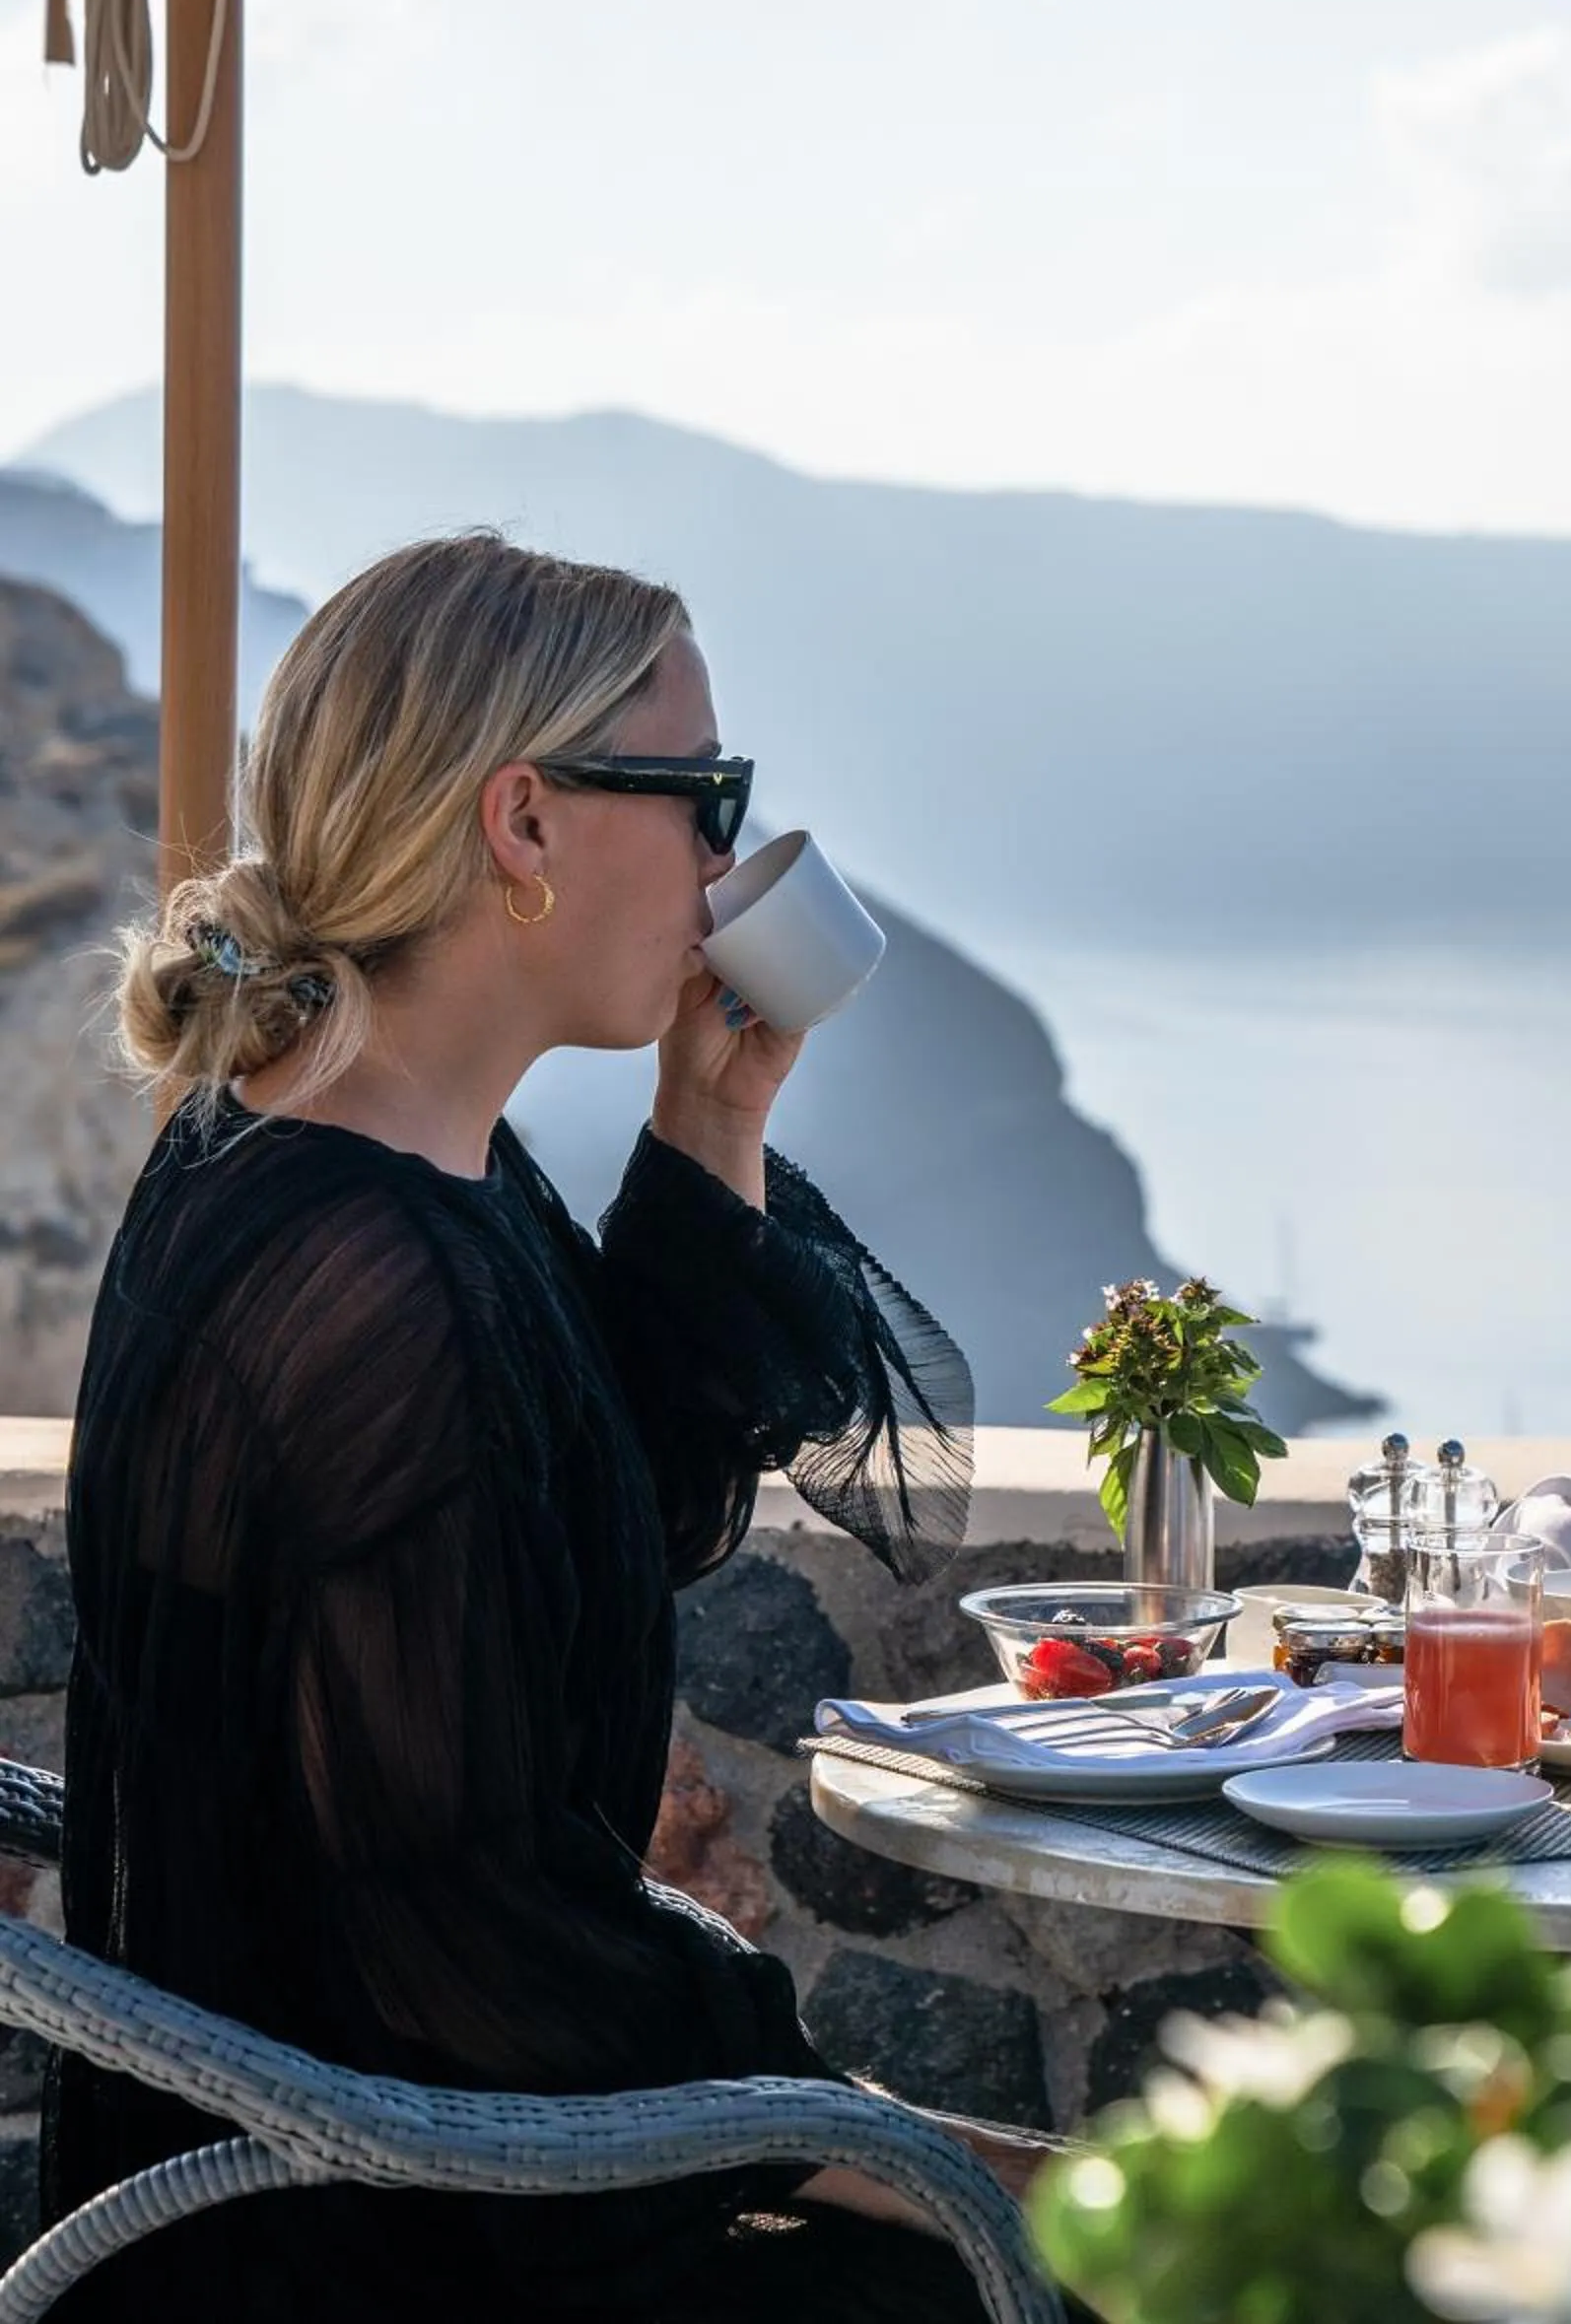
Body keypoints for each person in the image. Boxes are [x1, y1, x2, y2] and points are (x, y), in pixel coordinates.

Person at [42, 532, 1064, 2321]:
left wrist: (712, 1127)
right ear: (523, 822)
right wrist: (925, 2156)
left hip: (389, 2164)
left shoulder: (347, 1154)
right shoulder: (373, 1284)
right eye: (705, 796)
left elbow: (607, 1513)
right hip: (385, 2240)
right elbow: (479, 1958)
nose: (730, 860)